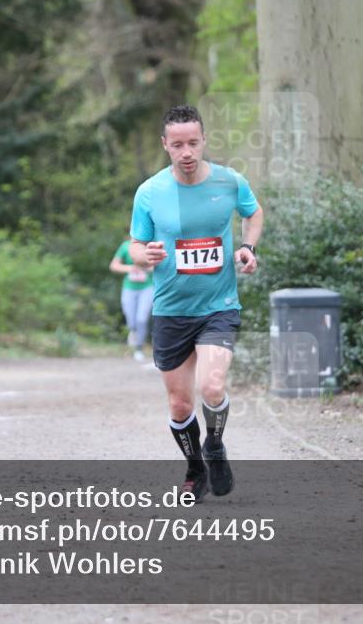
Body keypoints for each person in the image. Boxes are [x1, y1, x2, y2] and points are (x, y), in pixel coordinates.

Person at [129, 104, 264, 502]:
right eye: (177, 145)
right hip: (171, 309)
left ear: (204, 140)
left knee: (213, 385)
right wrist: (145, 254)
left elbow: (253, 214)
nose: (186, 151)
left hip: (218, 306)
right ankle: (194, 469)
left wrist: (247, 247)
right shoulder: (150, 192)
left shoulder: (228, 182)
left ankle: (215, 446)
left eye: (193, 142)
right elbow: (135, 245)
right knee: (179, 403)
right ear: (165, 146)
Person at [109, 236, 155, 362]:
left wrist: (144, 267)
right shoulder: (125, 246)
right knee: (131, 319)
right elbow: (114, 265)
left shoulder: (151, 245)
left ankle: (139, 348)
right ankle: (133, 334)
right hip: (129, 287)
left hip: (147, 287)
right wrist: (130, 268)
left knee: (141, 319)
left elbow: (159, 266)